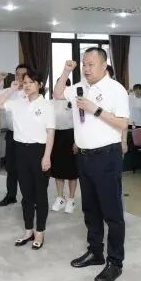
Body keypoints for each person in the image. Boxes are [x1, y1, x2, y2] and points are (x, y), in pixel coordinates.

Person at [54, 48, 129, 281]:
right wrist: (66, 71)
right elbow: (57, 93)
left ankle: (115, 262)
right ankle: (96, 252)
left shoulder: (116, 89)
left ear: (104, 65)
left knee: (112, 212)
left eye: (91, 64)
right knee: (90, 209)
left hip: (107, 156)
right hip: (84, 157)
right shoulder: (79, 86)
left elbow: (122, 124)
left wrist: (94, 109)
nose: (86, 69)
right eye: (84, 64)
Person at [0, 69, 56, 249]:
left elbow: (50, 133)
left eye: (31, 82)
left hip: (39, 151)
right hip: (20, 150)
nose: (27, 85)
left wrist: (47, 156)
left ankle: (40, 231)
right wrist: (12, 89)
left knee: (40, 194)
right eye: (25, 82)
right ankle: (28, 230)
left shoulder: (46, 106)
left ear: (40, 85)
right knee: (26, 194)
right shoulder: (18, 102)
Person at [0, 65, 29, 207]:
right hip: (12, 134)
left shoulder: (31, 91)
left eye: (23, 74)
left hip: (27, 135)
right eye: (17, 74)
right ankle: (11, 195)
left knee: (26, 169)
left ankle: (28, 198)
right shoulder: (10, 90)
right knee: (11, 167)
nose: (20, 77)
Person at [50, 84, 79, 214]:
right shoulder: (51, 102)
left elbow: (79, 123)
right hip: (56, 136)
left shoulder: (73, 101)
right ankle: (60, 197)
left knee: (72, 171)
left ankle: (71, 199)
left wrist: (77, 141)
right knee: (58, 170)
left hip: (71, 136)